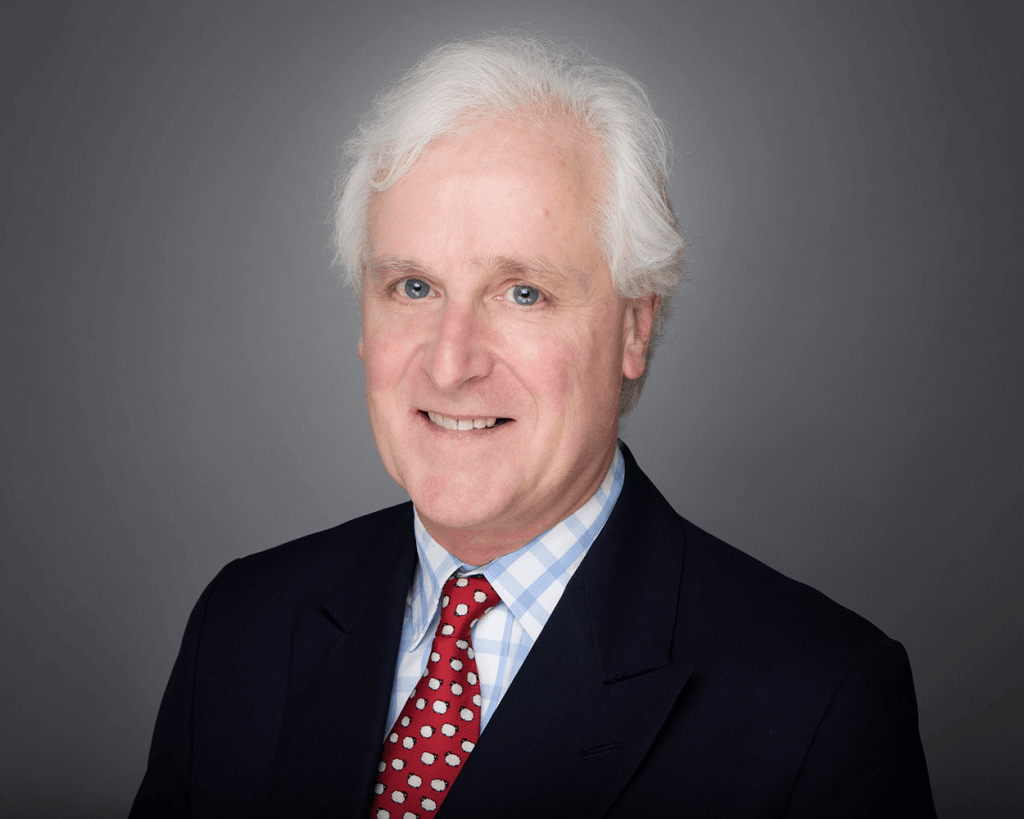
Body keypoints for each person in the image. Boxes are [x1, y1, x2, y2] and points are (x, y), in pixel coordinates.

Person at [130, 33, 935, 818]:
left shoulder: (819, 704)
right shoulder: (243, 625)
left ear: (634, 330)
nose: (451, 364)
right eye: (413, 287)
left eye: (524, 293)